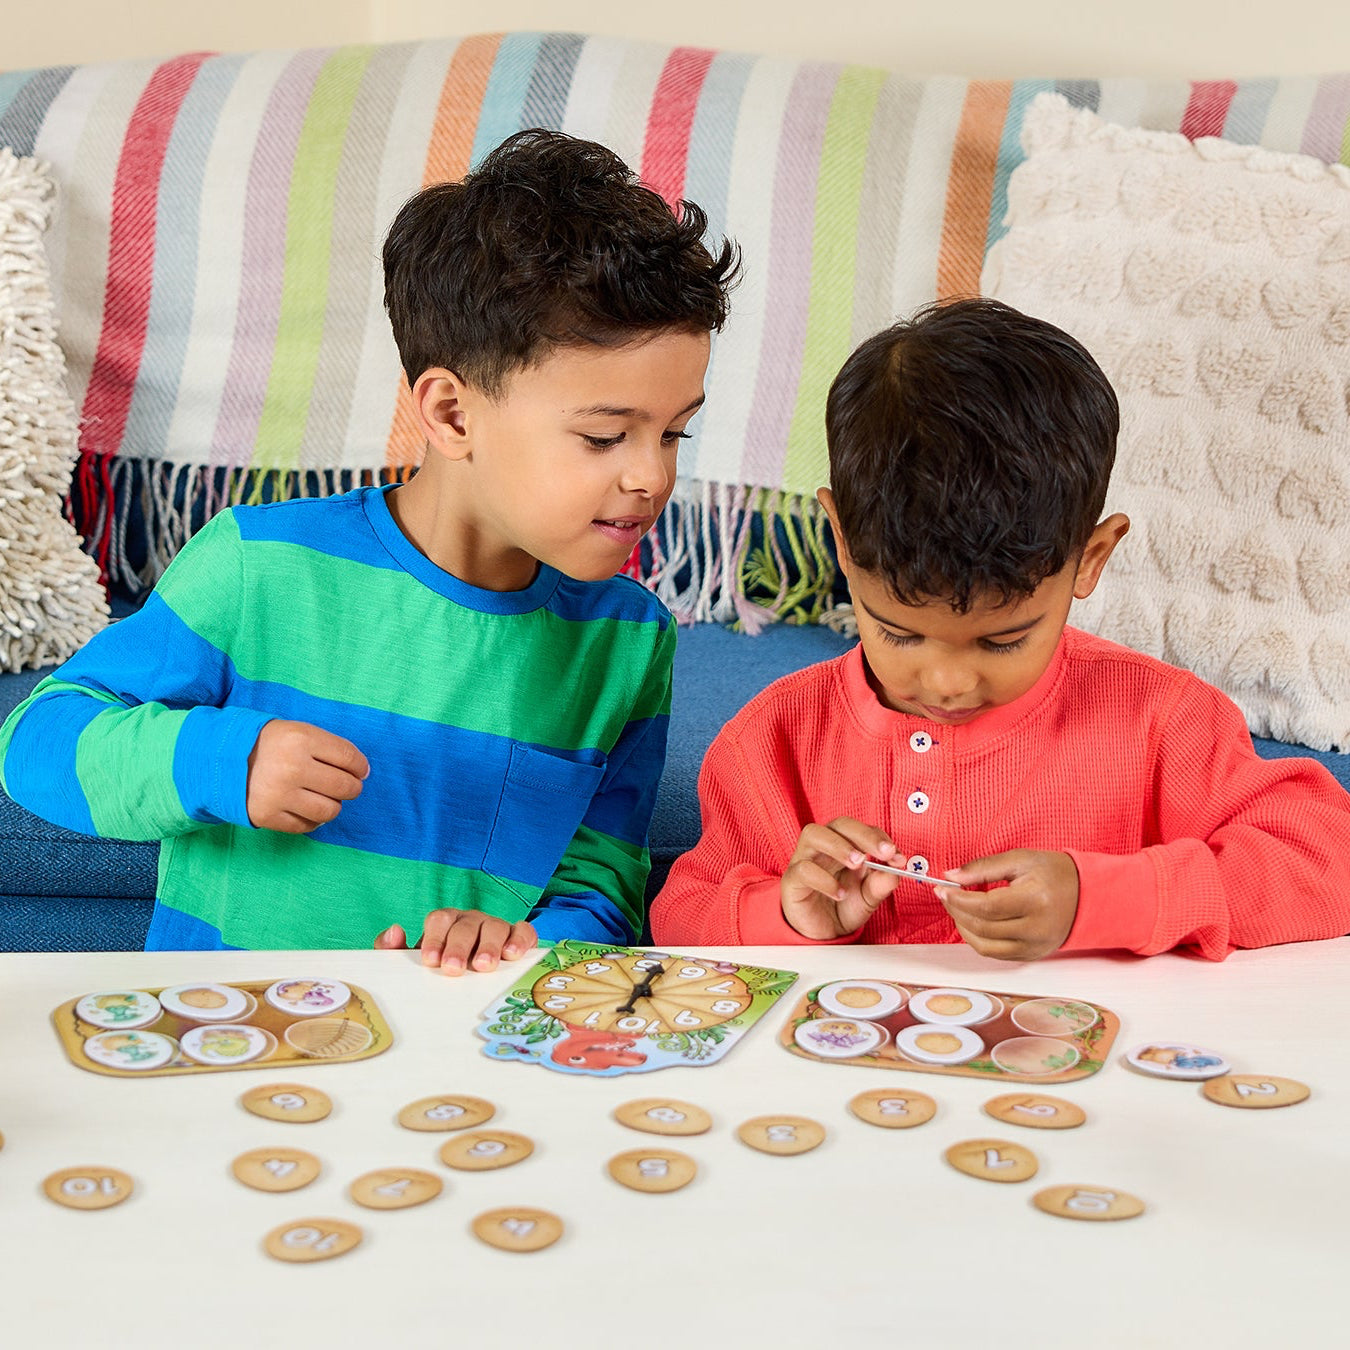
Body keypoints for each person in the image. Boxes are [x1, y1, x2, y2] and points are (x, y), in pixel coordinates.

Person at [0, 129, 738, 973]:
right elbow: (37, 740)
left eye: (676, 432)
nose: (653, 476)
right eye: (606, 436)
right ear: (453, 414)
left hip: (447, 1069)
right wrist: (216, 760)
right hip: (226, 1044)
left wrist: (534, 944)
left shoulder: (628, 639)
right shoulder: (257, 567)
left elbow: (603, 879)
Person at [650, 298, 1350, 961]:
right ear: (839, 539)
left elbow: (1328, 859)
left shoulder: (1163, 723)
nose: (949, 684)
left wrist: (1104, 900)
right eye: (900, 633)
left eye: (1003, 640)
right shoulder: (772, 742)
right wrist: (787, 914)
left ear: (1091, 558)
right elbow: (681, 913)